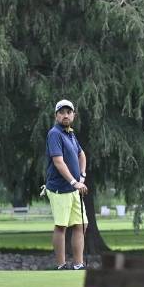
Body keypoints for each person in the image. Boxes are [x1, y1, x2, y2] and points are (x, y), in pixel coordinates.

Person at [44, 99, 88, 270]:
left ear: (73, 115)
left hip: (73, 188)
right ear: (56, 116)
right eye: (62, 112)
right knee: (61, 226)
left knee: (81, 224)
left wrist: (82, 177)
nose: (65, 115)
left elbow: (81, 155)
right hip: (59, 188)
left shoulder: (70, 133)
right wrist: (73, 181)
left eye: (69, 112)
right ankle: (61, 265)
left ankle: (78, 264)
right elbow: (58, 162)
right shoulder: (54, 133)